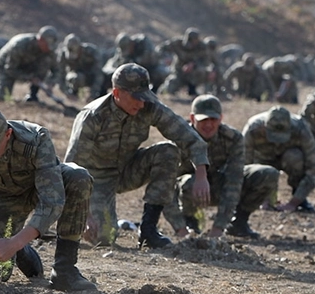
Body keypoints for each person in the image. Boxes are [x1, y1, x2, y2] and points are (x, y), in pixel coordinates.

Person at [0, 107, 97, 292]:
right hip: (1, 196)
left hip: (41, 187)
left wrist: (15, 242)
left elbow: (52, 200)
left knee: (78, 177)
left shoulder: (35, 139)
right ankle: (21, 250)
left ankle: (65, 270)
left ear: (8, 134)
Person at [64, 63, 210, 248]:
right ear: (117, 93)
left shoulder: (148, 106)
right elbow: (72, 168)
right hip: (94, 179)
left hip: (127, 169)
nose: (141, 103)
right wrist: (85, 214)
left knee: (168, 151)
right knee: (103, 237)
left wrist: (201, 175)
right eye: (136, 97)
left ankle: (148, 230)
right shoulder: (93, 117)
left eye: (144, 96)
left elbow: (188, 137)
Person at [162, 95, 278, 239]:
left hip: (219, 186)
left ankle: (238, 223)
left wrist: (219, 227)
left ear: (221, 118)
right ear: (192, 119)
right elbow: (164, 186)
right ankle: (190, 221)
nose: (209, 125)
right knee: (189, 183)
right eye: (203, 120)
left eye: (213, 119)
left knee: (267, 174)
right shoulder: (178, 140)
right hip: (188, 190)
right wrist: (179, 228)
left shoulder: (233, 139)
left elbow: (234, 181)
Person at [243, 106, 315, 212]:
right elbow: (244, 166)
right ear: (264, 128)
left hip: (289, 159)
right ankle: (265, 196)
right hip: (264, 163)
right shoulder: (253, 128)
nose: (277, 142)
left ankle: (299, 197)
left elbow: (314, 168)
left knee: (294, 157)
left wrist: (293, 203)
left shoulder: (301, 129)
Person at [0, 25, 59, 103]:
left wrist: (50, 84)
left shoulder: (49, 50)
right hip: (6, 66)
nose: (48, 48)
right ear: (40, 39)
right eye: (46, 45)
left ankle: (33, 95)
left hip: (27, 65)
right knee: (2, 97)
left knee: (45, 62)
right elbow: (10, 69)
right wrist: (29, 77)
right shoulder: (20, 45)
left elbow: (56, 69)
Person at [156, 27, 209, 97]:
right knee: (170, 86)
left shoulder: (202, 47)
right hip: (178, 71)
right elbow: (160, 49)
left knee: (202, 71)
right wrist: (167, 57)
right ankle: (159, 91)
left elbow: (206, 61)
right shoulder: (177, 43)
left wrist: (193, 65)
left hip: (194, 73)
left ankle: (192, 89)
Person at [53, 33, 104, 103]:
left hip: (92, 77)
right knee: (76, 78)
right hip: (77, 77)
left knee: (106, 78)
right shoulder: (63, 54)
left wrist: (93, 94)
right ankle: (74, 93)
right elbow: (60, 74)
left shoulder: (91, 52)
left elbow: (98, 73)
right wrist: (66, 93)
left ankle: (101, 96)